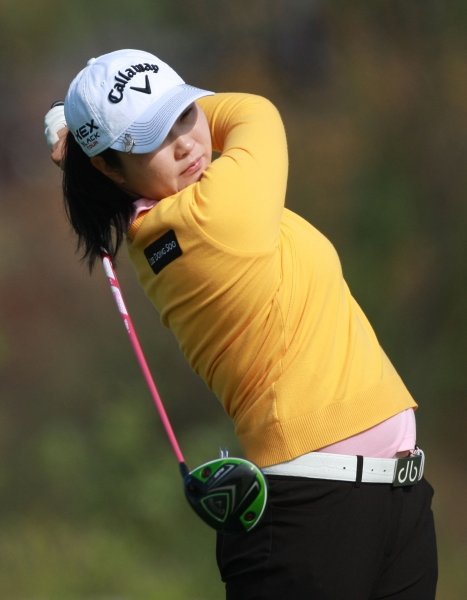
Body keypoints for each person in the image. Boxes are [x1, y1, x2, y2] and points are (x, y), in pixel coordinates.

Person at [44, 48, 437, 599]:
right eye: (152, 138)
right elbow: (254, 113)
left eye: (184, 114)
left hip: (394, 498)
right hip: (313, 513)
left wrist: (90, 140)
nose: (186, 144)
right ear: (110, 168)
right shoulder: (213, 214)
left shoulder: (174, 218)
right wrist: (89, 139)